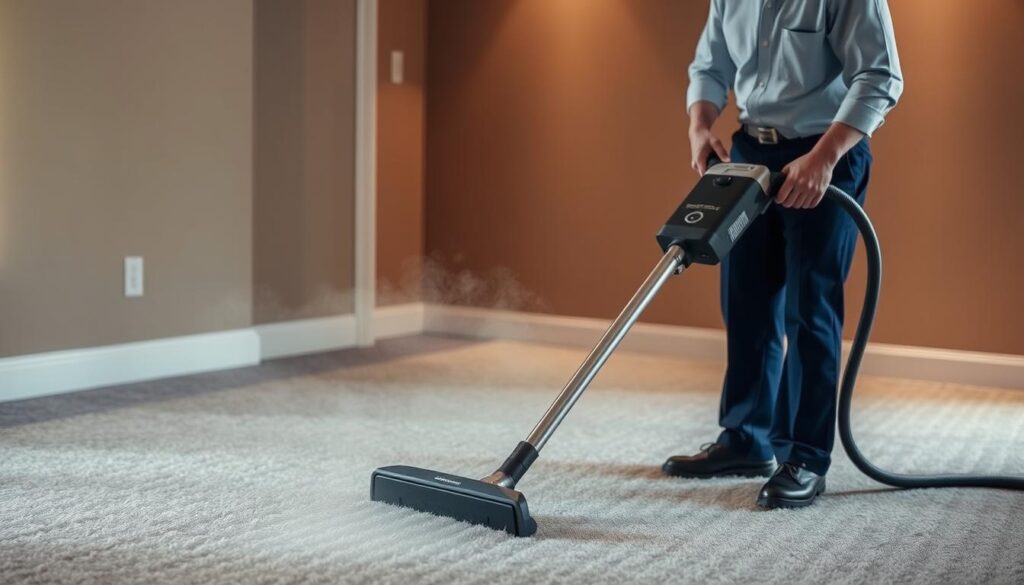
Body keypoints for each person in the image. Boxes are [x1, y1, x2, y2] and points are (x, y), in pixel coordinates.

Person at [662, 0, 904, 508]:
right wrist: (701, 127)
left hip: (824, 152)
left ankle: (805, 458)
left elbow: (880, 77)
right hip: (750, 151)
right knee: (745, 299)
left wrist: (825, 158)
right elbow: (711, 64)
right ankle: (747, 439)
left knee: (809, 309)